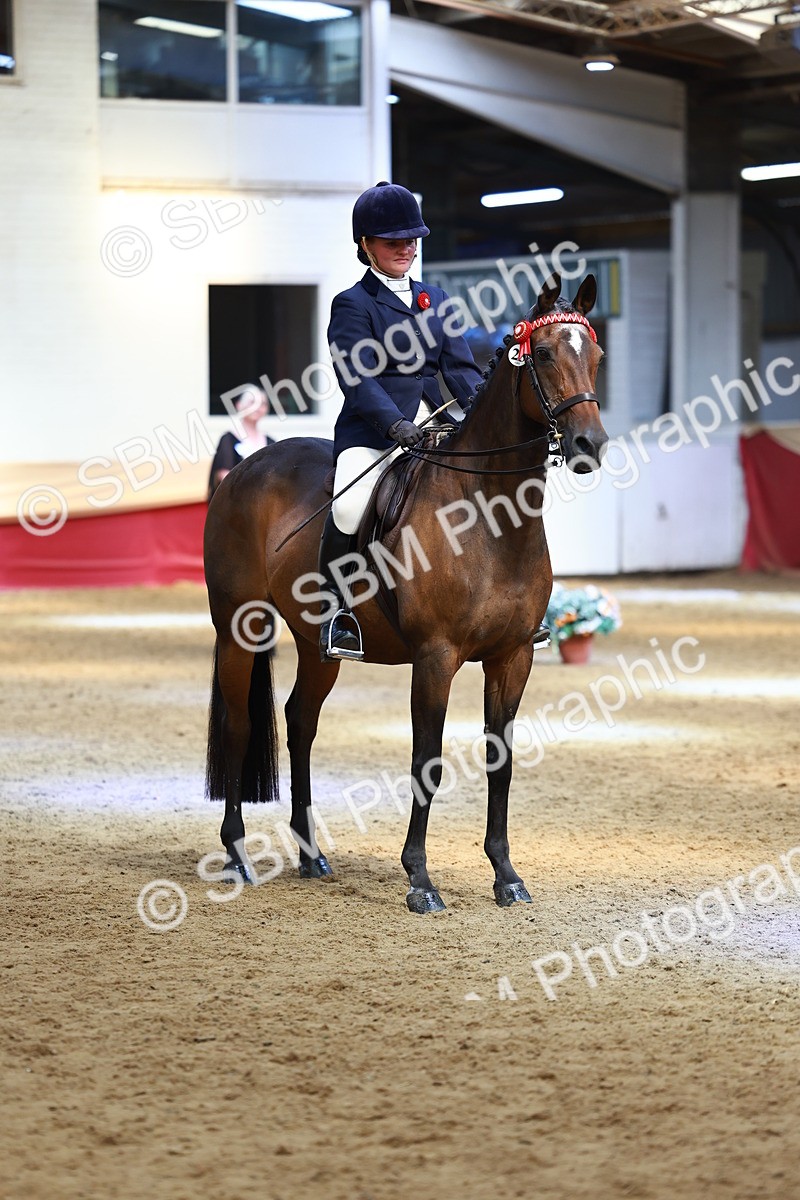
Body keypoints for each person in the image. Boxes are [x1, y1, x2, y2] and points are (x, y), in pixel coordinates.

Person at [320, 180, 550, 662]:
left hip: (437, 427)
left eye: (411, 240)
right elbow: (357, 380)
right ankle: (337, 613)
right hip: (374, 433)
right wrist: (393, 425)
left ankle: (523, 607)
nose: (405, 249)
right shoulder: (352, 304)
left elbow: (462, 371)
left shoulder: (436, 299)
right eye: (392, 241)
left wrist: (480, 420)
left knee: (504, 490)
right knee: (349, 504)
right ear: (366, 245)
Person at [207, 385, 273, 501]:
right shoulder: (228, 439)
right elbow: (223, 476)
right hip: (236, 504)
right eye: (252, 402)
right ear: (239, 406)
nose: (257, 407)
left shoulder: (270, 442)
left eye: (262, 403)